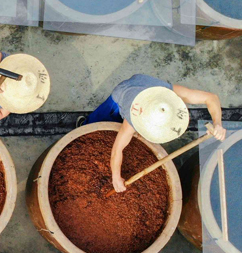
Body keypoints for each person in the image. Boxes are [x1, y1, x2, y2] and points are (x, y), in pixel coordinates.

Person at [84, 74, 226, 193]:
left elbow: (211, 97)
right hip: (122, 94)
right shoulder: (132, 118)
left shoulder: (168, 92)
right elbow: (117, 149)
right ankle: (85, 124)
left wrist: (217, 123)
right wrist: (115, 176)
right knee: (99, 120)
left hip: (143, 82)